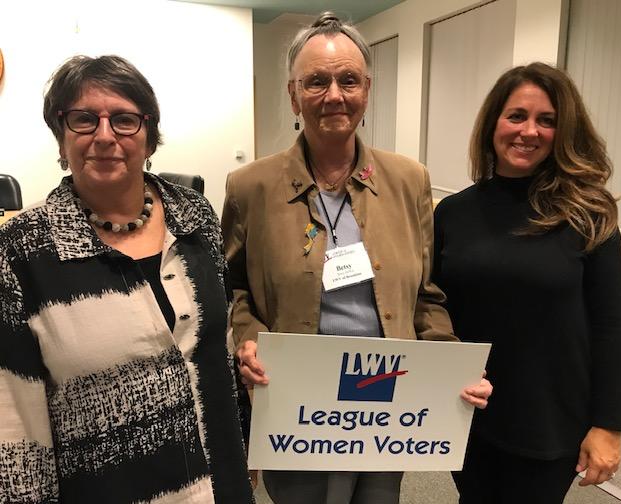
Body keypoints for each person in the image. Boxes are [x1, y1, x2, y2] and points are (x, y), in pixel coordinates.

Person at [221, 12, 492, 504]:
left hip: (386, 400)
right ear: (292, 93)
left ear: (367, 89)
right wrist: (250, 340)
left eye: (348, 80)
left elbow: (426, 296)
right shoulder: (250, 188)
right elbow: (237, 289)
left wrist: (453, 368)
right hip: (298, 402)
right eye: (316, 81)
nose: (334, 95)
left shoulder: (409, 179)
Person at [0, 55, 254, 503]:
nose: (103, 136)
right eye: (82, 119)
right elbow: (16, 425)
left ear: (149, 136)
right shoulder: (22, 251)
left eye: (123, 120)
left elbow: (214, 350)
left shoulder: (194, 218)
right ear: (61, 138)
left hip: (221, 485)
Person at [432, 62, 621, 504]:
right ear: (493, 124)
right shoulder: (453, 213)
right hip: (467, 412)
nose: (529, 131)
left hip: (549, 422)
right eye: (517, 116)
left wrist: (608, 426)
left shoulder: (588, 214)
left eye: (547, 121)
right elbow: (433, 307)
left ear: (563, 133)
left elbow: (612, 327)